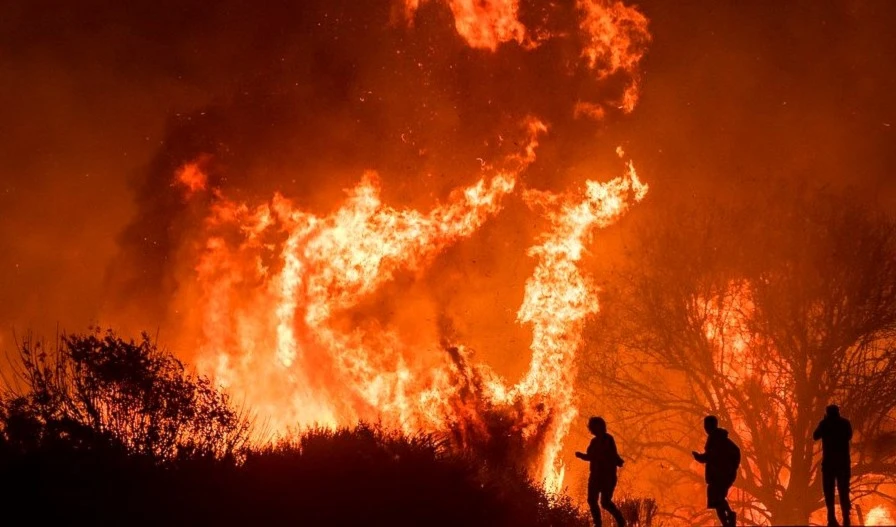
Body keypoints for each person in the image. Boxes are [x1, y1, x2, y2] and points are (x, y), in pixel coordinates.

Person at [575, 416, 626, 527]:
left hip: (607, 477)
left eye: (596, 426)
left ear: (601, 427)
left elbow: (612, 455)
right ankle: (598, 524)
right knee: (591, 500)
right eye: (593, 427)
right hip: (595, 476)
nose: (593, 429)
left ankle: (621, 522)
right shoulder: (593, 442)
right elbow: (590, 456)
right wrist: (581, 455)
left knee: (605, 503)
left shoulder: (608, 439)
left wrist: (617, 461)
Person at [692, 415, 740, 527]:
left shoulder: (717, 439)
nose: (705, 428)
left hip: (719, 476)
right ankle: (727, 521)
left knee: (717, 499)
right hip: (720, 476)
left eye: (706, 425)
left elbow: (711, 456)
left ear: (711, 425)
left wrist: (699, 457)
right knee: (717, 501)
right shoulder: (719, 438)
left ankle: (729, 518)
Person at [814, 404, 853, 527]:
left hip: (829, 465)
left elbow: (815, 436)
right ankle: (846, 519)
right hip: (843, 463)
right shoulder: (845, 423)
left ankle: (831, 519)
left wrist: (824, 422)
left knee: (829, 493)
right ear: (838, 412)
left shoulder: (825, 424)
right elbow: (849, 436)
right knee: (844, 491)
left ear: (828, 413)